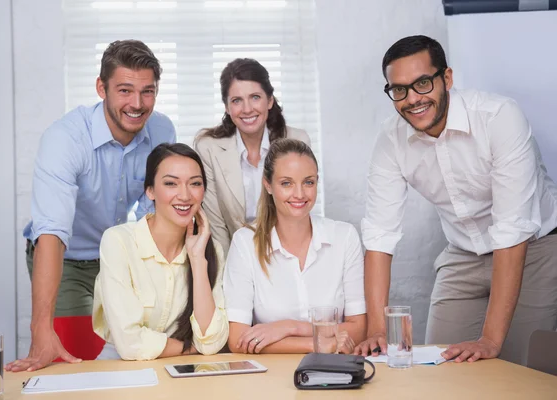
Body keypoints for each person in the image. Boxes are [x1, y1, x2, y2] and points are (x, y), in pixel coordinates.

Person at [355, 35, 557, 365]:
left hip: (532, 247)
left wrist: (490, 339)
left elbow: (511, 229)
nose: (412, 99)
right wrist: (376, 329)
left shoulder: (499, 117)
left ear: (446, 78)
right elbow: (379, 235)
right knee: (442, 367)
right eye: (399, 90)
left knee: (520, 371)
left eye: (422, 83)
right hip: (463, 253)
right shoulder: (390, 140)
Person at [6, 40, 176, 372]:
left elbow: (151, 211)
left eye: (147, 92)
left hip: (113, 253)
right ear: (102, 88)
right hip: (63, 256)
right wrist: (41, 329)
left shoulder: (161, 130)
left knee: (134, 346)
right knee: (76, 357)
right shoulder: (66, 139)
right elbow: (51, 234)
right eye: (125, 90)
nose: (137, 104)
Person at [224, 138, 367, 354]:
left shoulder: (344, 237)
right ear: (268, 185)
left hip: (335, 373)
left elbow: (358, 329)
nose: (299, 194)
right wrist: (319, 343)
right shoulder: (245, 242)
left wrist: (288, 328)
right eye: (286, 183)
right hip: (270, 378)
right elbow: (237, 339)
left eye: (308, 182)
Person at [92, 143, 228, 360]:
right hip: (120, 367)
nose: (184, 195)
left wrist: (197, 261)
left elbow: (211, 343)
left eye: (195, 183)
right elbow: (129, 344)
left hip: (179, 371)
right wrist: (190, 348)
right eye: (171, 184)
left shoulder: (210, 249)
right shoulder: (118, 241)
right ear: (150, 191)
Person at [194, 58, 311, 255]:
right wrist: (227, 276)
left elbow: (299, 211)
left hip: (286, 252)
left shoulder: (297, 140)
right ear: (226, 106)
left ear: (270, 100)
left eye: (255, 97)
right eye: (237, 100)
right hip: (233, 254)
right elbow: (216, 227)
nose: (247, 109)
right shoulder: (209, 148)